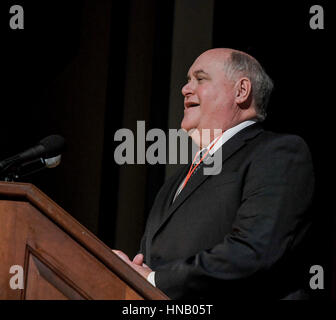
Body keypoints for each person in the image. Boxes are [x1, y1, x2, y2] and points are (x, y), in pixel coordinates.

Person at [113, 48, 314, 299]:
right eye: (187, 80)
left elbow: (253, 251)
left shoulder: (277, 153)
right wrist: (134, 273)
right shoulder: (176, 181)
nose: (185, 89)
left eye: (200, 78)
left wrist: (154, 279)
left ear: (241, 91)